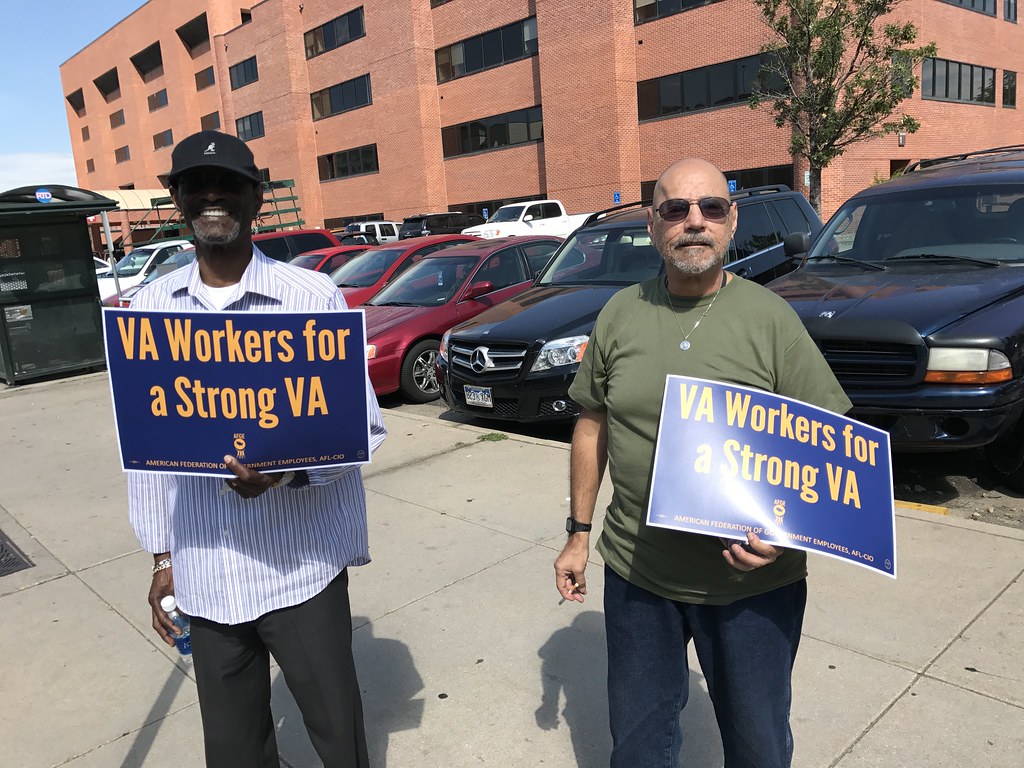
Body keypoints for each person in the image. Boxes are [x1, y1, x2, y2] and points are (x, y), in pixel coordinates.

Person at [553, 158, 851, 768]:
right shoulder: (620, 313)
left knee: (758, 747)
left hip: (751, 586)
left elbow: (831, 448)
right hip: (640, 575)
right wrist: (578, 535)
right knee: (638, 748)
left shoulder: (771, 320)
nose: (695, 222)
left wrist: (783, 530)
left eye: (711, 208)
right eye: (676, 209)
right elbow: (593, 420)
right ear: (652, 222)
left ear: (732, 220)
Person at [127, 130, 387, 768]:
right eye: (196, 185)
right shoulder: (149, 310)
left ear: (257, 197)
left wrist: (286, 473)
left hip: (299, 567)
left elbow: (362, 431)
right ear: (177, 198)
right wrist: (163, 558)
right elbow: (144, 453)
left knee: (339, 738)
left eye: (230, 185)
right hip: (208, 572)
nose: (212, 195)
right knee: (234, 750)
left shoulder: (311, 300)